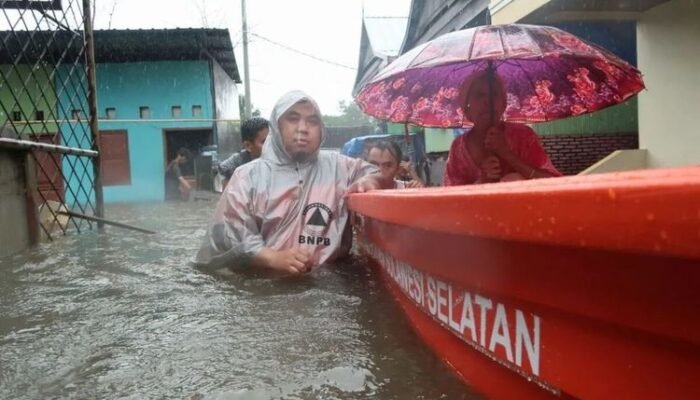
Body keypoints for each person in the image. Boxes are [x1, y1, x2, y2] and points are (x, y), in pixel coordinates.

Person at [195, 91, 390, 274]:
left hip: (331, 281)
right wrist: (273, 258)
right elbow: (229, 234)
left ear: (321, 129)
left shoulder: (341, 167)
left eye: (312, 121)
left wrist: (371, 179)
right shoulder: (247, 176)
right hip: (266, 290)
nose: (303, 129)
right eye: (293, 119)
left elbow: (377, 174)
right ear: (277, 126)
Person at [443, 69, 561, 186]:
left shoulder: (523, 136)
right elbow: (452, 199)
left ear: (504, 104)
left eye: (494, 94)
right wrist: (483, 179)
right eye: (479, 95)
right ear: (466, 106)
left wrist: (508, 155)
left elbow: (554, 183)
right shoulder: (458, 148)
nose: (487, 101)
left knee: (512, 179)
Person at [217, 117, 269, 188]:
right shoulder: (236, 165)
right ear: (248, 145)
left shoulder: (279, 159)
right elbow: (228, 196)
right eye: (265, 142)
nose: (271, 145)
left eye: (272, 140)